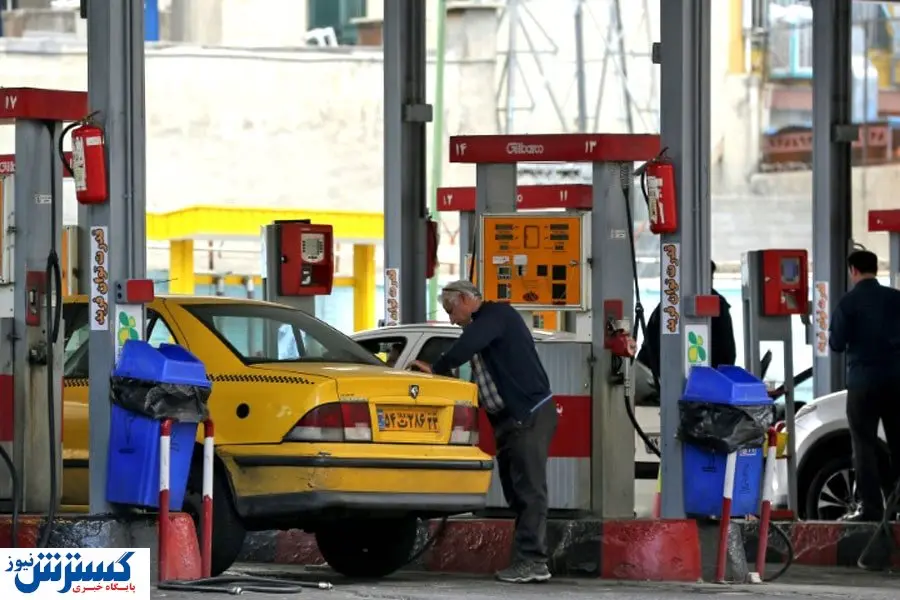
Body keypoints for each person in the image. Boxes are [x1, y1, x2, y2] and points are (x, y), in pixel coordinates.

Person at [408, 280, 557, 584]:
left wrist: (437, 367)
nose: (451, 318)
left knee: (530, 491)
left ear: (465, 298)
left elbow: (465, 347)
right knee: (516, 492)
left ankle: (533, 561)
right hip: (508, 420)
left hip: (527, 414)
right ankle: (528, 558)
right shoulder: (481, 325)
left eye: (451, 310)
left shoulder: (497, 316)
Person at [828, 249, 900, 522]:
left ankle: (871, 509)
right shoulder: (896, 299)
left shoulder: (849, 303)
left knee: (864, 445)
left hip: (863, 384)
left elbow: (835, 344)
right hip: (896, 381)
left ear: (853, 271)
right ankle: (897, 503)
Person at [635, 261, 737, 402]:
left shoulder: (669, 304)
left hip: (659, 381)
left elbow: (648, 348)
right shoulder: (718, 306)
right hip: (701, 386)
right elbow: (727, 353)